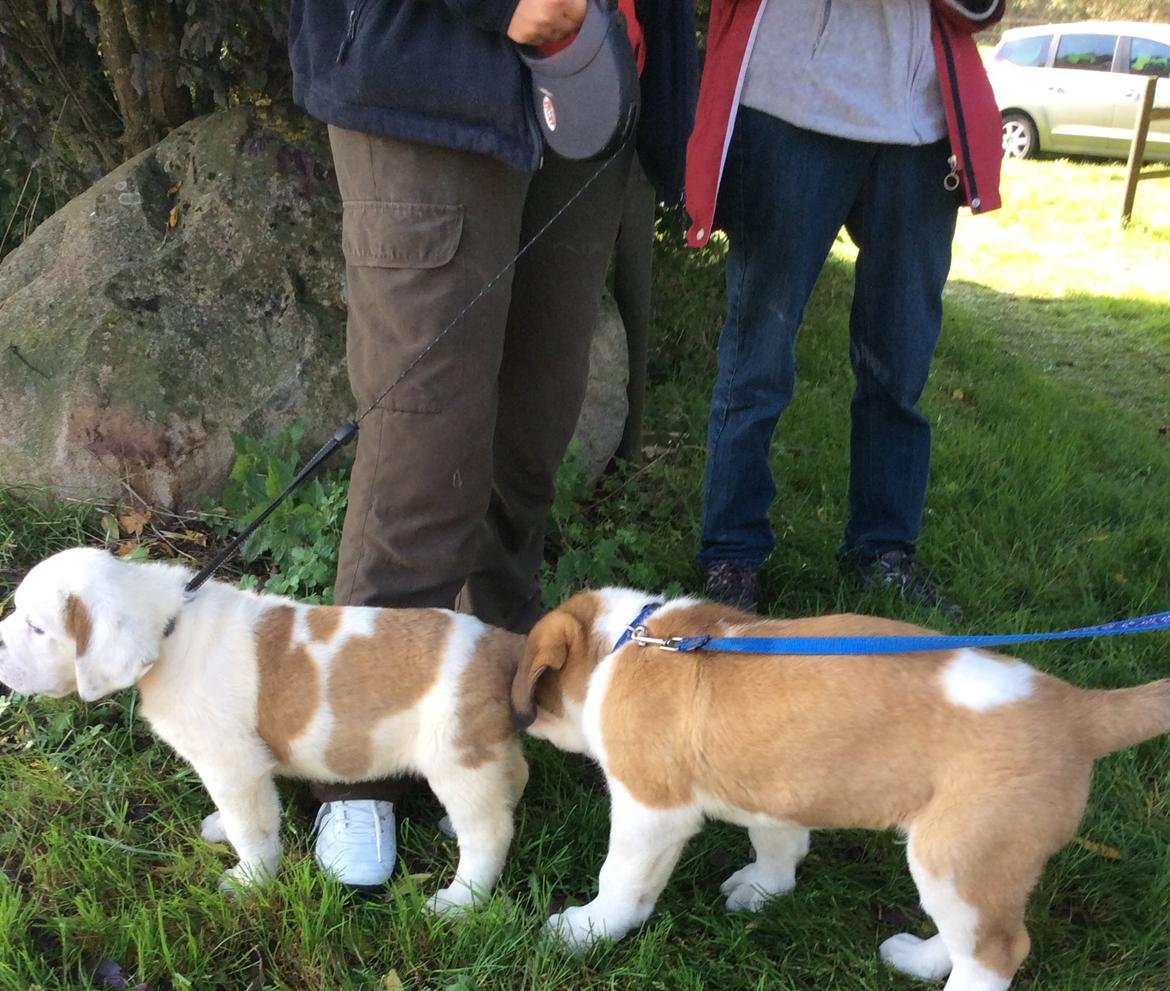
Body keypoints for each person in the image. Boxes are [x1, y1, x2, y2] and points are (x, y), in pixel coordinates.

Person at [289, 0, 694, 887]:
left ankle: (483, 704)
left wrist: (665, 99)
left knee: (533, 430)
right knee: (424, 449)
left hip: (590, 94)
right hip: (426, 69)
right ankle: (363, 761)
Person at [685, 0, 1006, 617]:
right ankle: (731, 554)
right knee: (758, 354)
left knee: (900, 362)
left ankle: (882, 552)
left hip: (920, 126)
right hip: (787, 108)